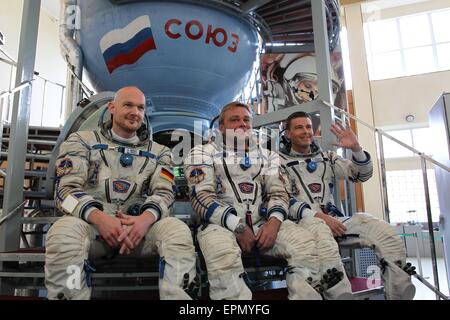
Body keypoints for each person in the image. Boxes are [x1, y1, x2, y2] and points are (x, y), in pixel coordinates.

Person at [45, 86, 198, 300]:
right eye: (128, 105)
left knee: (176, 231)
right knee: (64, 232)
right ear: (112, 107)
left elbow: (165, 193)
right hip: (93, 229)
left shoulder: (160, 152)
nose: (135, 112)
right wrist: (99, 218)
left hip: (139, 232)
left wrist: (144, 220)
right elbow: (65, 192)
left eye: (140, 107)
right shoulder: (81, 141)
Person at [184, 102, 325, 300]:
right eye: (235, 120)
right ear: (221, 128)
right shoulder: (201, 153)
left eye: (246, 120)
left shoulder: (268, 156)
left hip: (264, 224)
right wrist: (238, 227)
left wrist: (274, 223)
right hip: (219, 226)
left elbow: (279, 194)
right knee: (223, 257)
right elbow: (201, 197)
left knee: (304, 245)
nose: (242, 124)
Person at [279, 111, 416, 300]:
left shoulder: (327, 158)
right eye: (299, 127)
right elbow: (280, 199)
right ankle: (340, 294)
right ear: (287, 133)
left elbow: (361, 175)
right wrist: (319, 217)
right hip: (301, 225)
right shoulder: (276, 162)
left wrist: (357, 148)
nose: (306, 131)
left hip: (334, 221)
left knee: (384, 232)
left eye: (308, 127)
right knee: (321, 234)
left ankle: (399, 293)